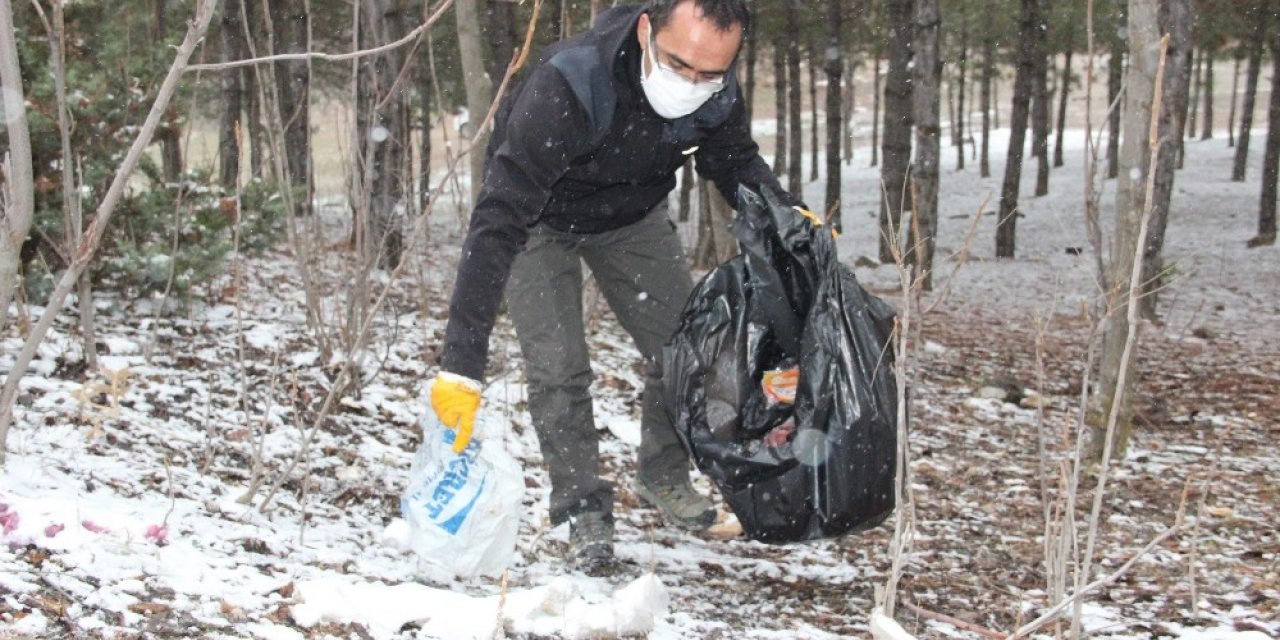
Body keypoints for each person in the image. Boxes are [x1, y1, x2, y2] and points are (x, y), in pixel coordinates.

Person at [428, 0, 803, 573]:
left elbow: (732, 161)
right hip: (540, 222)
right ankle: (582, 509)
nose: (693, 84)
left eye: (710, 73)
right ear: (648, 29)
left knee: (688, 350)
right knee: (559, 369)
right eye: (679, 65)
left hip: (632, 219)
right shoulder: (571, 83)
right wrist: (461, 361)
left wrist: (786, 220)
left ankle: (662, 474)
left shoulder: (715, 90)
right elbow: (499, 217)